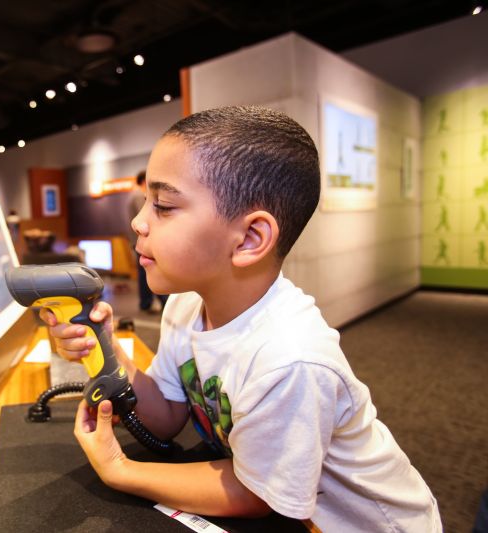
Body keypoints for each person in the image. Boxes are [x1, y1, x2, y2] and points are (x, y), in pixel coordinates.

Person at [41, 106, 441, 532]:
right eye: (145, 203)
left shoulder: (292, 359)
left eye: (163, 205)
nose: (139, 221)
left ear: (250, 238)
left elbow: (254, 495)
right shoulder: (185, 306)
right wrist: (107, 347)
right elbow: (166, 415)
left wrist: (119, 469)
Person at [127, 170, 168, 312]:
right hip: (144, 241)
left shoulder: (133, 195)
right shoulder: (139, 195)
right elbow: (146, 218)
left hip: (137, 241)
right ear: (144, 181)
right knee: (149, 272)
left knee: (144, 272)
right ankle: (152, 302)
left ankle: (146, 303)